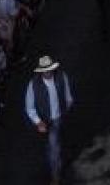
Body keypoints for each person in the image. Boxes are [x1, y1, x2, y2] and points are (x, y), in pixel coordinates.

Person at [25, 56, 74, 185]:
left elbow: (67, 95)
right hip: (45, 121)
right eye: (46, 70)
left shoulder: (61, 77)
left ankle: (55, 173)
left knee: (54, 146)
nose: (48, 72)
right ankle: (55, 169)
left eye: (50, 69)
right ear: (41, 71)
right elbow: (29, 107)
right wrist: (38, 122)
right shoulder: (34, 85)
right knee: (52, 146)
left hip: (58, 118)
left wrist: (67, 105)